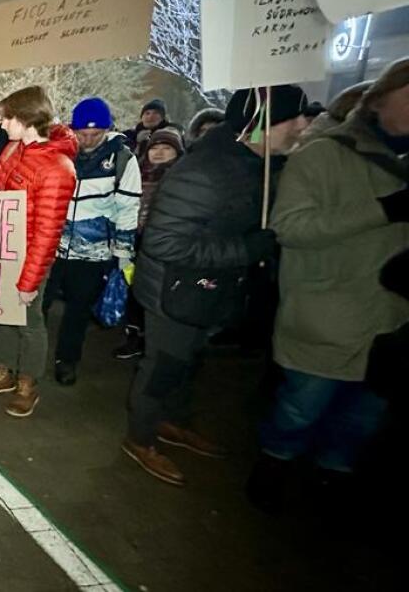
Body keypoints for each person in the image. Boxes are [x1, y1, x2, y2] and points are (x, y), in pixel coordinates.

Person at [123, 85, 307, 487]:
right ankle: (140, 438)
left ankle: (173, 422)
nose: (303, 126)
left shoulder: (258, 165)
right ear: (261, 125)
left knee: (188, 364)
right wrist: (242, 249)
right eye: (294, 117)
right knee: (162, 368)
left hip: (206, 292)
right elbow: (164, 241)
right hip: (174, 292)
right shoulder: (205, 170)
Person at [248, 59, 409, 512]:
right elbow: (291, 228)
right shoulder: (323, 154)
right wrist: (384, 209)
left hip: (390, 321)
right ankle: (275, 462)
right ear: (378, 100)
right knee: (302, 406)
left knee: (363, 415)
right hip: (328, 312)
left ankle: (332, 477)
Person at [0, 87, 77, 415]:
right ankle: (4, 371)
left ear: (27, 119)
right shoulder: (14, 150)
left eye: (8, 119)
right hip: (4, 252)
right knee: (1, 314)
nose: (2, 125)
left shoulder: (58, 168)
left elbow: (47, 233)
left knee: (29, 321)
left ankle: (27, 381)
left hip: (31, 259)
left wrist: (29, 281)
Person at [43, 98, 140, 386]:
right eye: (82, 134)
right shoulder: (62, 154)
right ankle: (28, 357)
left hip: (94, 252)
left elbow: (128, 208)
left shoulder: (122, 159)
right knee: (40, 305)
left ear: (107, 129)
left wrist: (123, 253)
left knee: (77, 309)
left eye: (94, 135)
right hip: (53, 247)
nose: (87, 140)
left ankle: (67, 360)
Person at [115, 127, 185, 360]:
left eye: (167, 148)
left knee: (155, 291)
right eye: (155, 147)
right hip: (135, 237)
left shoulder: (181, 177)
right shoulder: (137, 171)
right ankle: (133, 335)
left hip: (163, 242)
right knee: (134, 288)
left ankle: (152, 341)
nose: (160, 153)